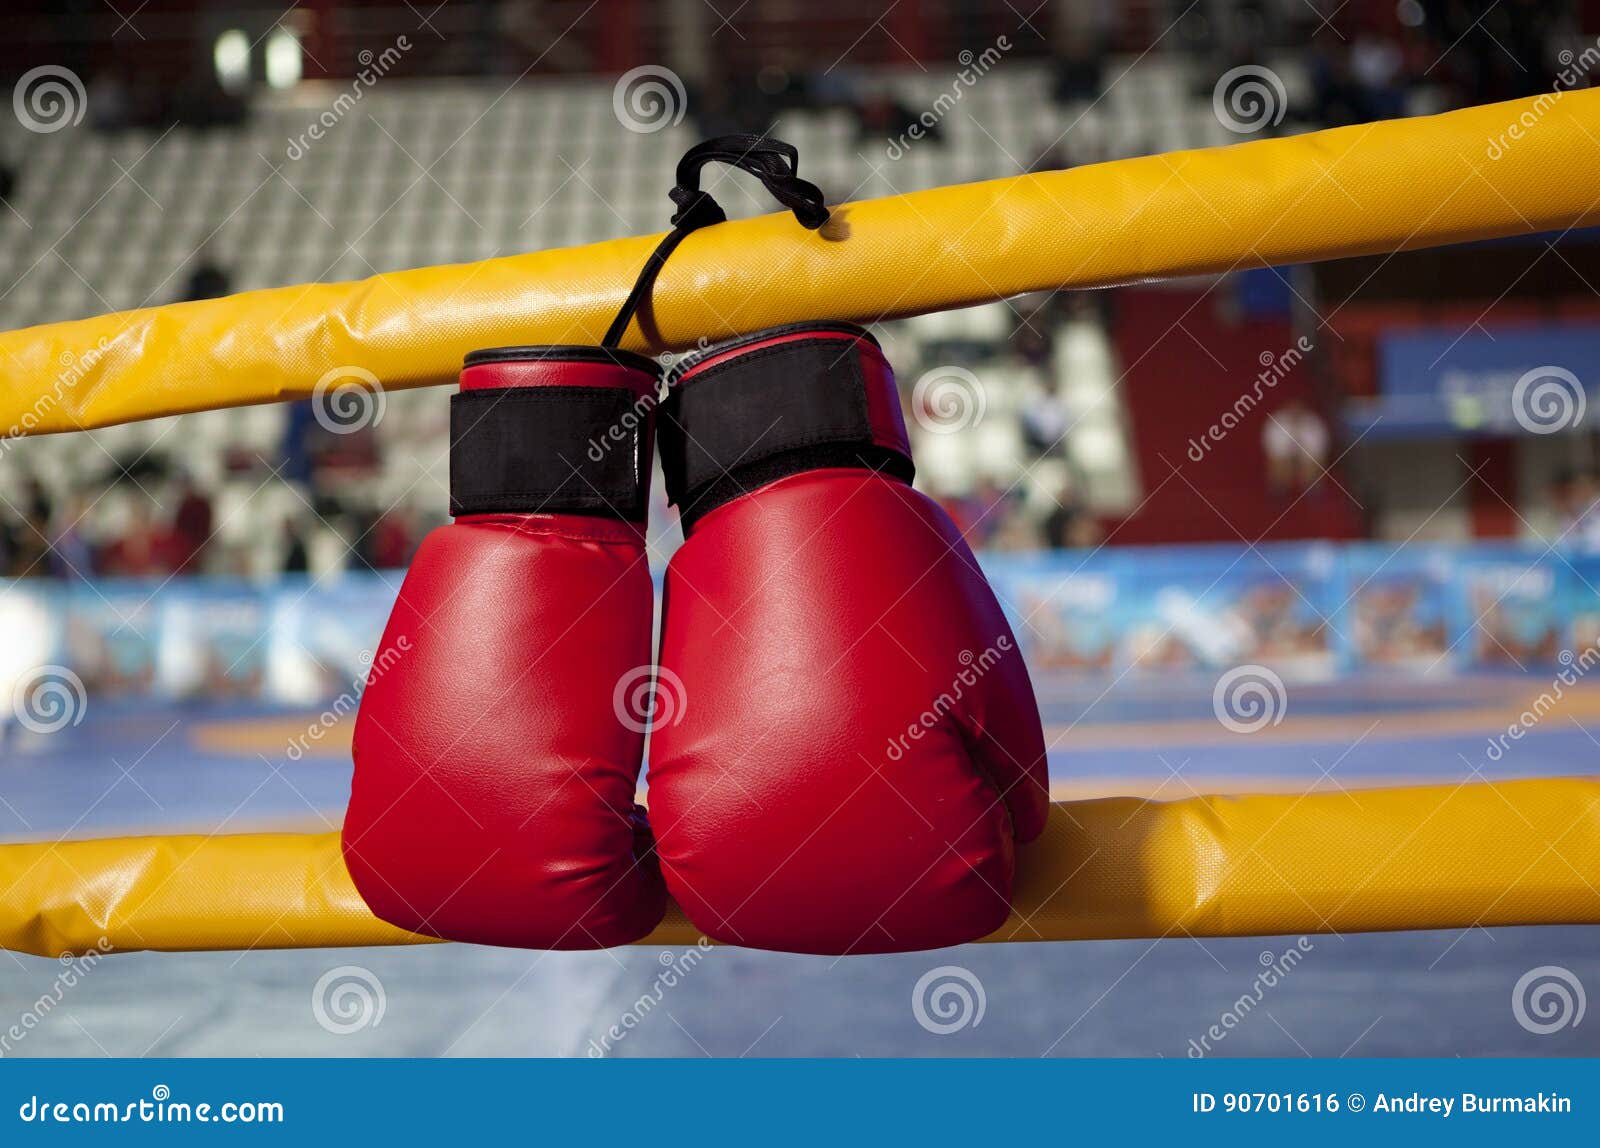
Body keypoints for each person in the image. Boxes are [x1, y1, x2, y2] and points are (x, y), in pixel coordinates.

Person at [1262, 398, 1329, 495]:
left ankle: (1312, 491)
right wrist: (1286, 455)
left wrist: (1305, 457)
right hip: (1283, 455)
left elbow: (1320, 445)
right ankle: (1280, 489)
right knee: (1279, 464)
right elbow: (1270, 444)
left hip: (1307, 456)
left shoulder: (1313, 422)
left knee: (1313, 463)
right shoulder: (1277, 421)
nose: (1295, 412)